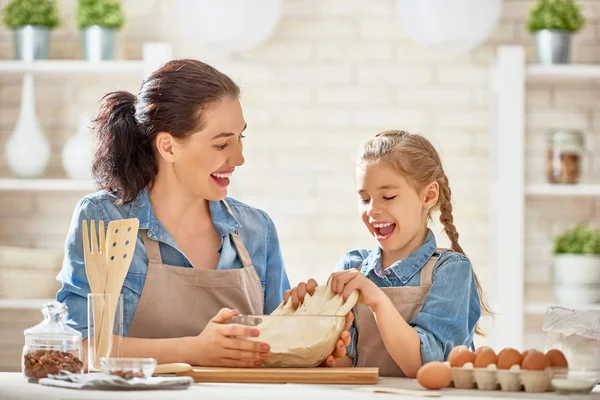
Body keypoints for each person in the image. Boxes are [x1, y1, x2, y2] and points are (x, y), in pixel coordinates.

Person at [56, 59, 349, 368]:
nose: (239, 158)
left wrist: (313, 347)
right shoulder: (104, 218)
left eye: (240, 138)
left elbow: (272, 353)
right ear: (168, 147)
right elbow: (78, 348)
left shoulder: (255, 229)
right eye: (222, 144)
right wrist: (193, 350)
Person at [285, 130, 491, 377]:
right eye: (365, 199)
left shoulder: (451, 270)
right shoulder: (352, 265)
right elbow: (342, 364)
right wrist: (306, 325)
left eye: (388, 196)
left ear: (428, 195)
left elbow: (426, 367)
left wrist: (377, 300)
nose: (373, 210)